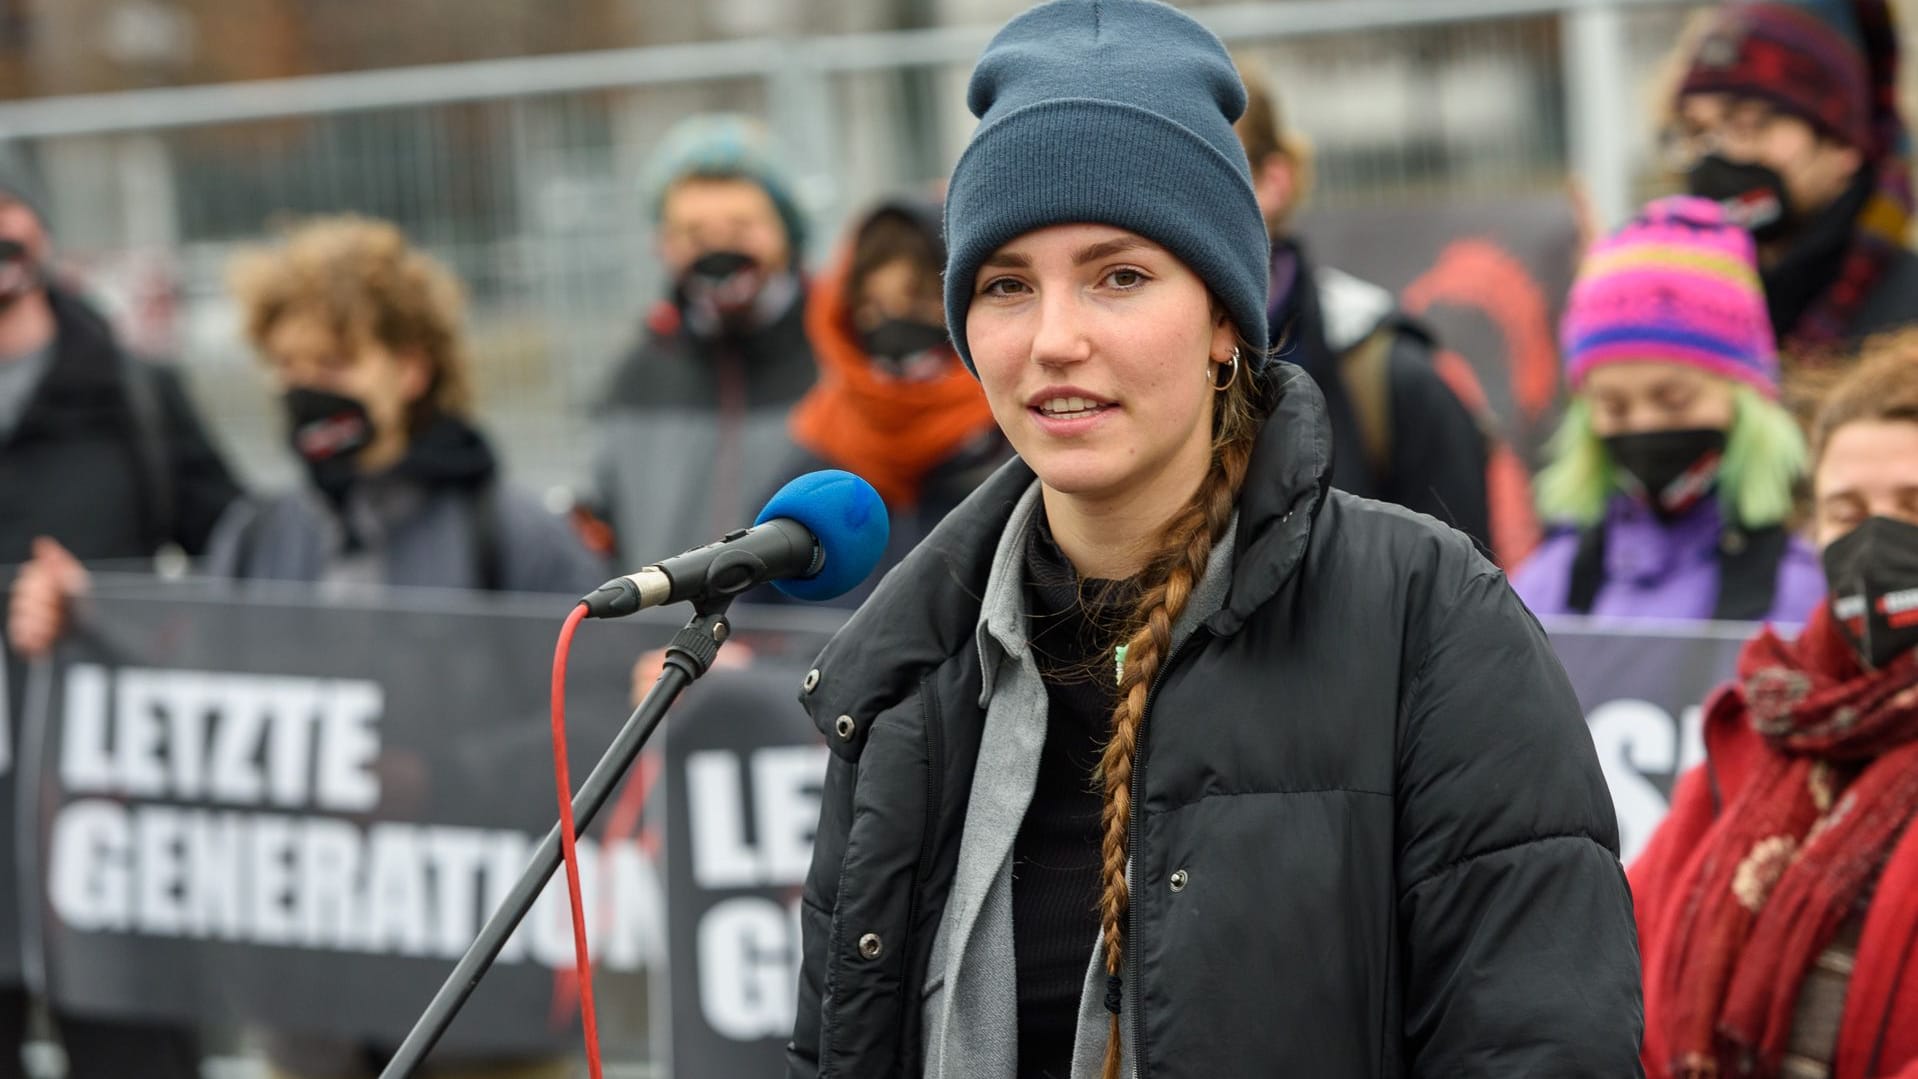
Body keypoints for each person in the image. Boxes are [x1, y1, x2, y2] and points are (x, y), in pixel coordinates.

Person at [785, 3, 1643, 1077]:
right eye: (1006, 285)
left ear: (1225, 319)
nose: (1055, 339)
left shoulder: (1430, 618)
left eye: (1120, 276)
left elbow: (1541, 1042)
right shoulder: (903, 668)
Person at [9, 215, 601, 1079]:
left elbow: (594, 716)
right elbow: (201, 698)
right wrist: (86, 620)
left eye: (334, 365)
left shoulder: (511, 533)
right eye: (288, 368)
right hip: (307, 990)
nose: (305, 391)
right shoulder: (259, 535)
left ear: (410, 368)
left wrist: (437, 779)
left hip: (483, 979)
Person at [0, 144, 235, 1079]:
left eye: (8, 210)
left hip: (111, 812)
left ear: (44, 231)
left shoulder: (135, 393)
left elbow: (240, 560)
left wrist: (110, 611)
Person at [1630, 344, 1918, 1079]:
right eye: (1845, 511)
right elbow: (1622, 957)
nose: (1874, 540)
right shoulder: (1762, 731)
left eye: (1913, 505)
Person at [1514, 196, 1824, 624]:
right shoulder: (1549, 583)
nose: (1644, 423)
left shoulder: (1801, 589)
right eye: (1614, 407)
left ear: (1747, 400)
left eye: (1674, 400)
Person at [1231, 59, 1493, 554]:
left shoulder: (1392, 375)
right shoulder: (1105, 374)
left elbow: (1468, 607)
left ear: (1274, 180)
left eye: (1216, 164)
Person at [592, 112, 817, 568]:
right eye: (693, 233)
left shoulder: (841, 360)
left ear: (786, 234)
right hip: (668, 638)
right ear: (663, 244)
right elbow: (598, 527)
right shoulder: (637, 373)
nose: (718, 249)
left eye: (741, 228)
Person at [762, 193, 1006, 607]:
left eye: (917, 301)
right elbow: (754, 607)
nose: (892, 327)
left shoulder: (1017, 452)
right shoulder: (820, 454)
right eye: (870, 309)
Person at [1666, 0, 1918, 366]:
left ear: (1844, 145)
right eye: (1697, 131)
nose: (1721, 154)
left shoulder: (1905, 318)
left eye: (1748, 125)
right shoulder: (1678, 305)